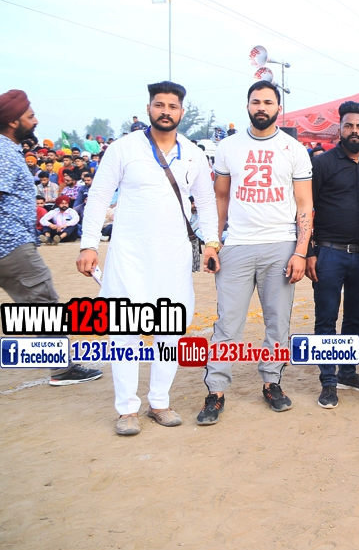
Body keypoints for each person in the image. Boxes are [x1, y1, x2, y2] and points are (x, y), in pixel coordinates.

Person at [78, 81, 219, 434]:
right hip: (129, 255)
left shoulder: (193, 153)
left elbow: (205, 202)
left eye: (172, 106)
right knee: (124, 330)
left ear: (181, 112)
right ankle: (127, 409)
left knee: (169, 330)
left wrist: (212, 242)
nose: (165, 111)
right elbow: (98, 197)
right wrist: (88, 244)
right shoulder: (123, 148)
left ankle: (160, 402)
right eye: (159, 105)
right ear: (148, 108)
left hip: (173, 256)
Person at [198, 80, 312, 424]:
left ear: (279, 108)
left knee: (277, 322)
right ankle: (216, 391)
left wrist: (300, 252)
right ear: (247, 106)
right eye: (256, 101)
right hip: (237, 245)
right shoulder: (229, 147)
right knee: (227, 323)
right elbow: (220, 198)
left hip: (281, 245)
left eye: (267, 102)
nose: (261, 107)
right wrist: (213, 242)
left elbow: (305, 205)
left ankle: (271, 382)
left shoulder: (294, 149)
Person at [0, 89, 102, 387]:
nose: (35, 121)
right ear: (13, 122)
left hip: (12, 243)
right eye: (30, 116)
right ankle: (62, 369)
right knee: (43, 302)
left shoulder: (8, 150)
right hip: (11, 245)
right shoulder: (3, 152)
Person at [306, 102, 359, 409]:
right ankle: (328, 381)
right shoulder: (322, 163)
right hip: (328, 254)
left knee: (355, 317)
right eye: (349, 126)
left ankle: (347, 372)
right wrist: (308, 252)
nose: (354, 131)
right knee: (326, 317)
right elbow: (305, 208)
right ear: (340, 129)